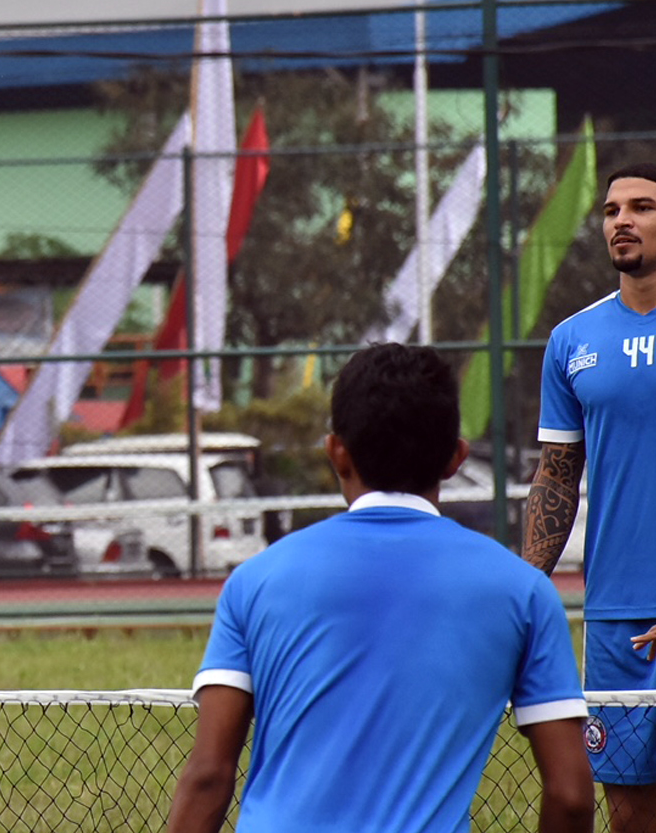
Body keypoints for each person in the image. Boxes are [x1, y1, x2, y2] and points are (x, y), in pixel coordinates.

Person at [168, 343, 592, 833]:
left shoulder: (254, 582)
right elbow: (570, 795)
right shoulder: (524, 592)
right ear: (455, 458)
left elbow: (208, 776)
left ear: (335, 452)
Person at [526, 161, 656, 832]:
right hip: (618, 623)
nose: (621, 221)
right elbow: (556, 473)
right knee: (631, 817)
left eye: (642, 207)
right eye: (610, 211)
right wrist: (522, 585)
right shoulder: (572, 340)